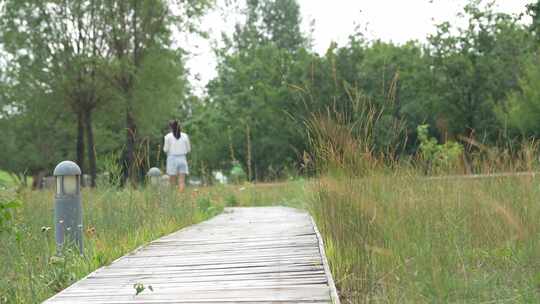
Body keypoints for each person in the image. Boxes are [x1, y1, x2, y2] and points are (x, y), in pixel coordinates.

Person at [163, 120, 191, 192]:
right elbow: (188, 149)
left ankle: (173, 198)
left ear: (171, 128)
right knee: (181, 181)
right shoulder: (185, 136)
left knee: (172, 181)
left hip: (172, 159)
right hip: (182, 158)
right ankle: (181, 196)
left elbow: (165, 149)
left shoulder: (167, 137)